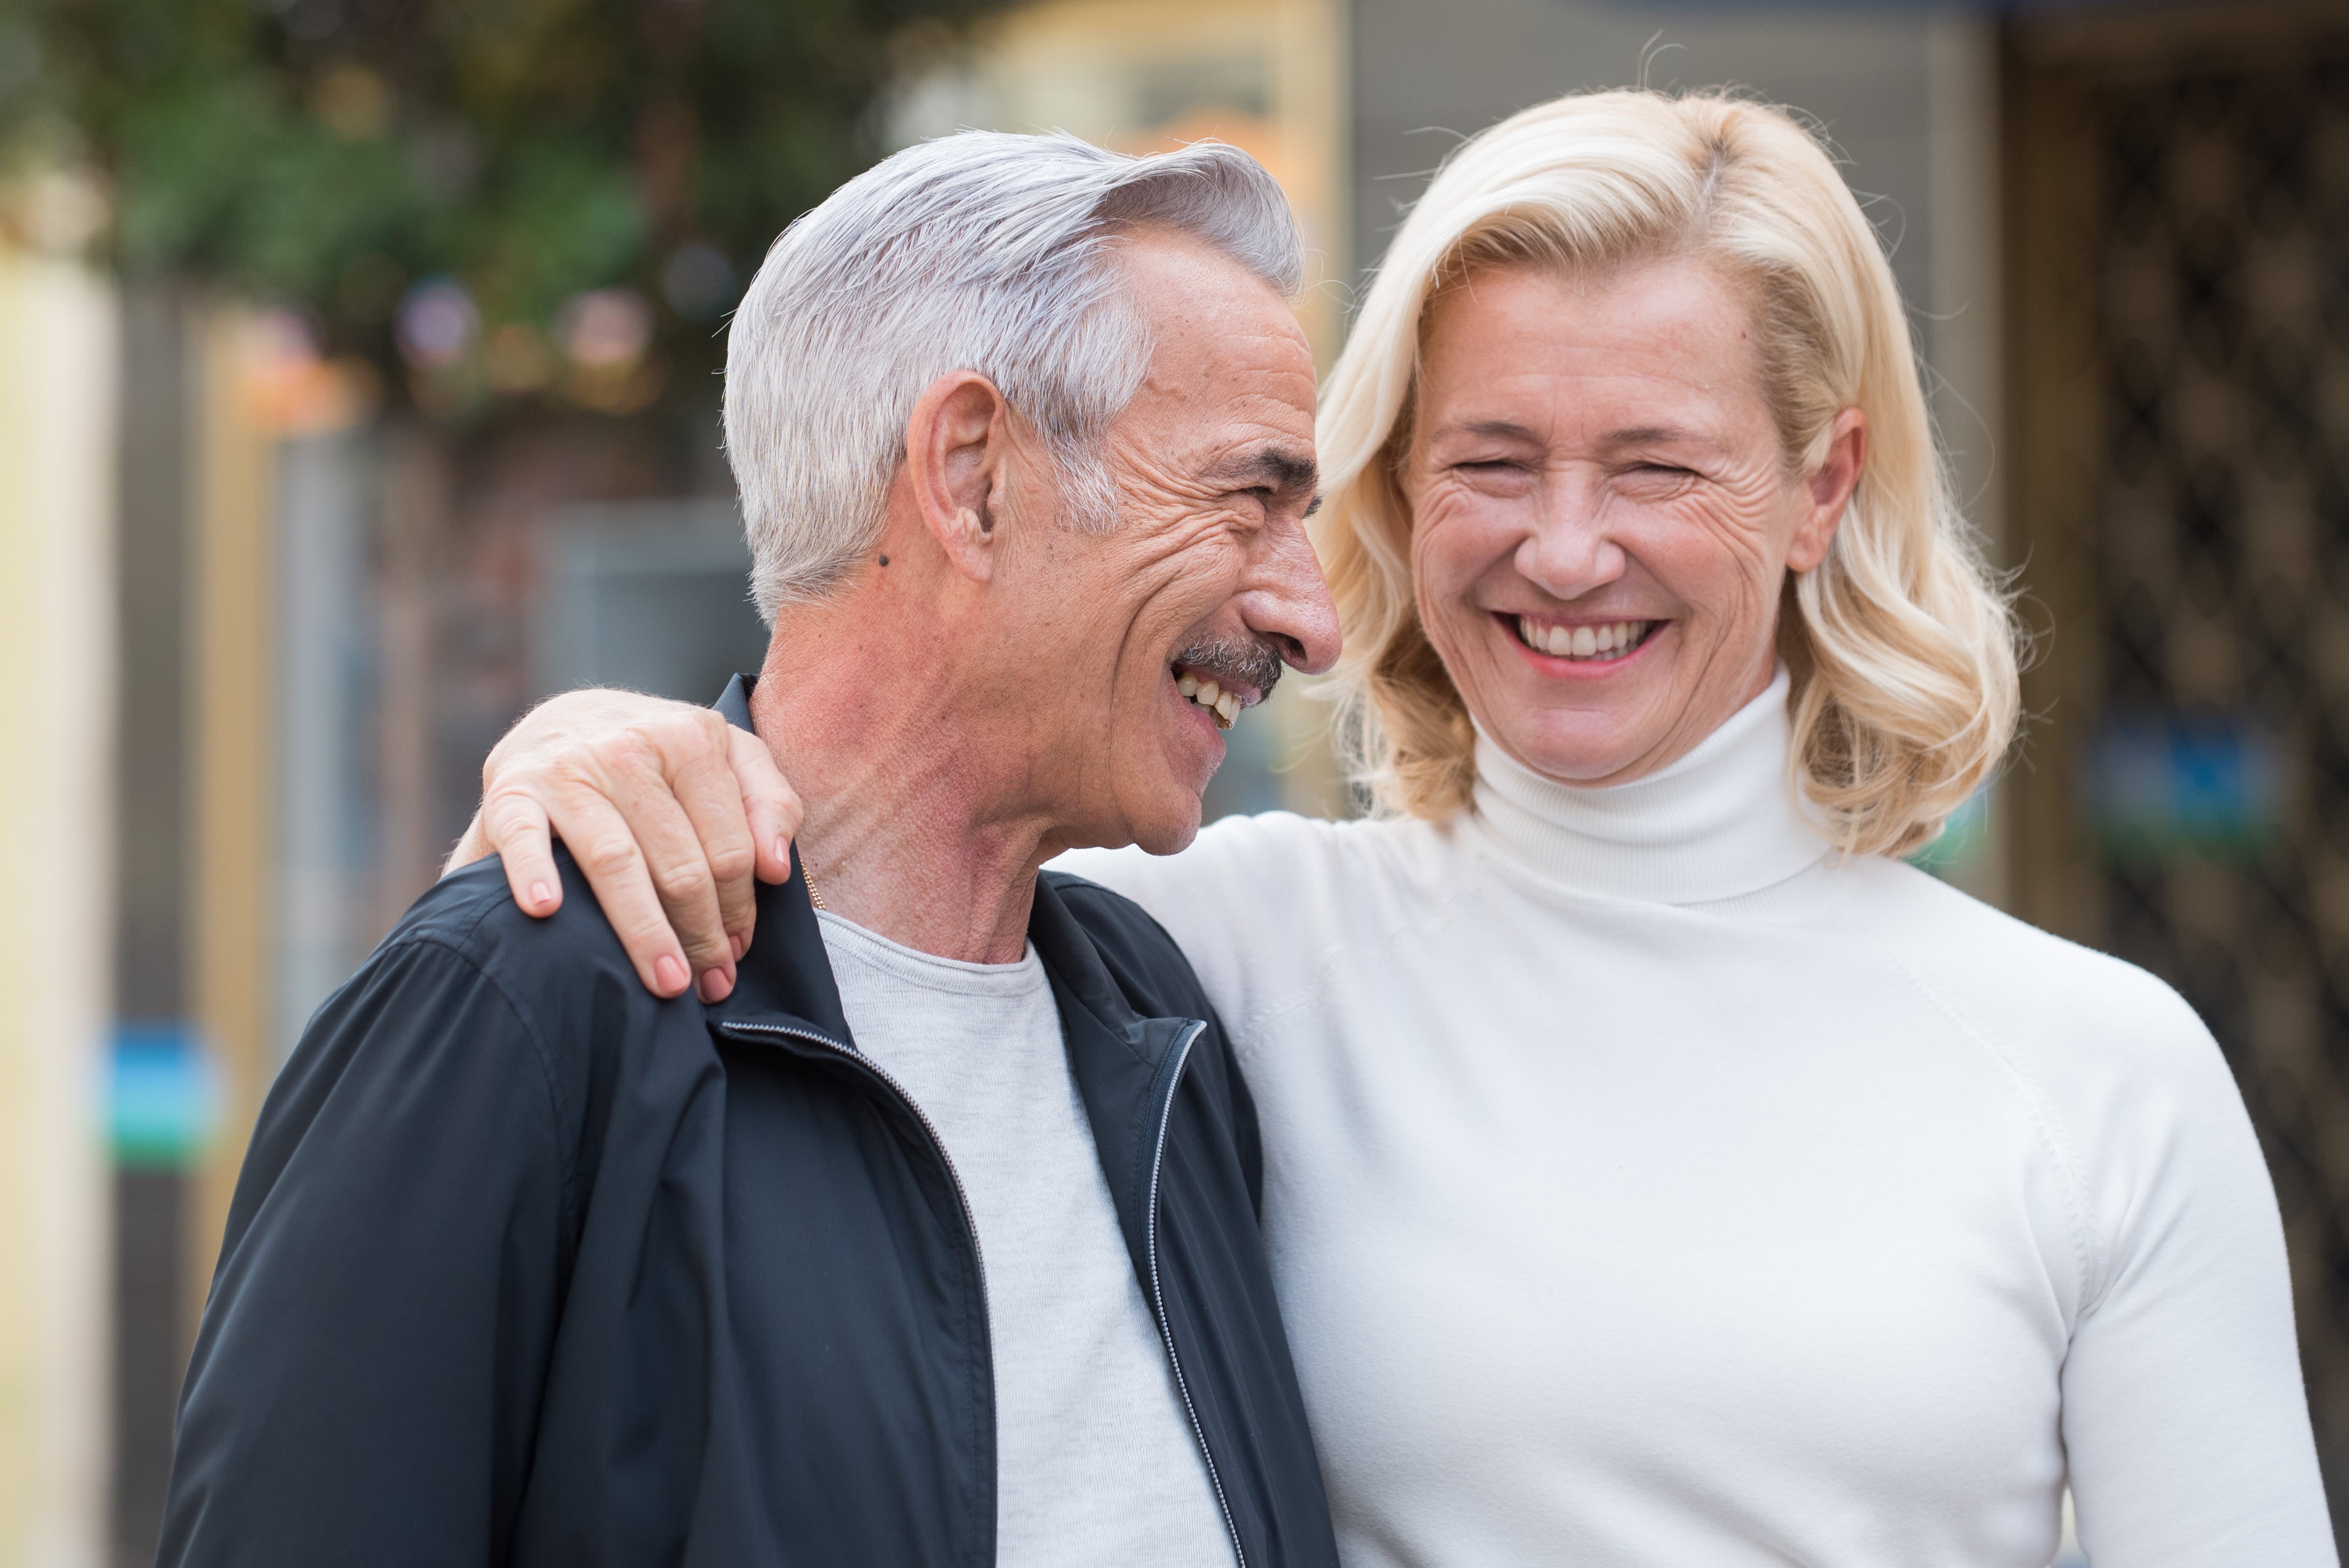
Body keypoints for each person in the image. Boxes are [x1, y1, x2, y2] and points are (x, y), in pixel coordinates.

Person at [459, 91, 2337, 1564]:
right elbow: (861, 841)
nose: (1565, 547)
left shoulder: (2090, 1071)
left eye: (1658, 464)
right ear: (1391, 488)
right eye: (1490, 461)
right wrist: (590, 745)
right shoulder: (1191, 955)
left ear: (1817, 485)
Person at [157, 132, 1346, 1568]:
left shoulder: (1163, 1029)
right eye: (1248, 500)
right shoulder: (519, 1012)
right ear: (971, 475)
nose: (1310, 618)